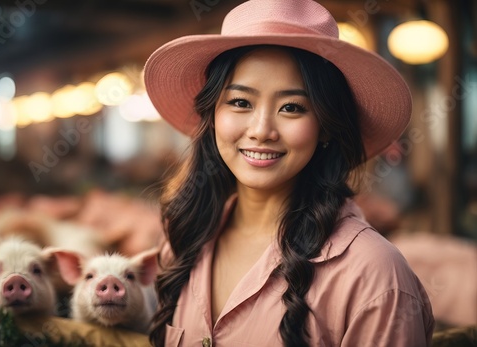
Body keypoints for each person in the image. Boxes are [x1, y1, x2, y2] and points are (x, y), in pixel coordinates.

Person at [143, 0, 434, 346]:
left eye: (292, 107)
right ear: (212, 115)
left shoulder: (373, 274)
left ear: (325, 126)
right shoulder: (183, 242)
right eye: (240, 102)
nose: (262, 130)